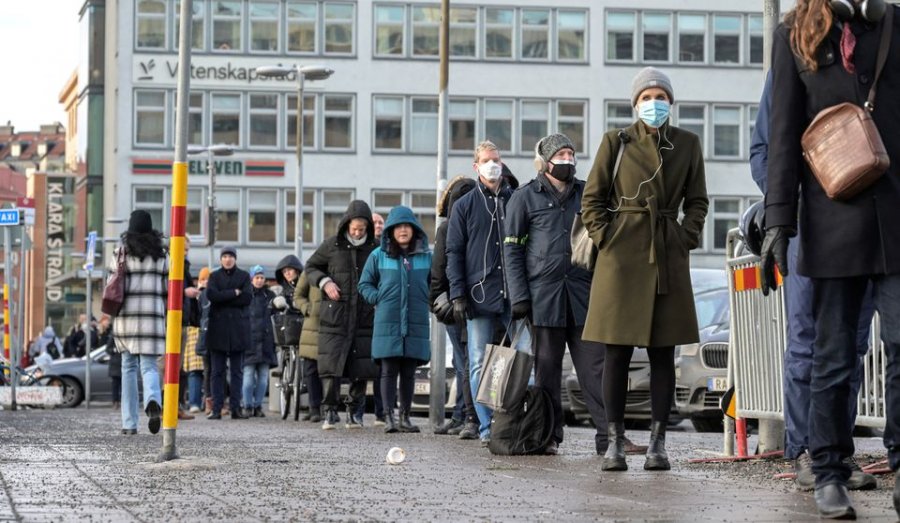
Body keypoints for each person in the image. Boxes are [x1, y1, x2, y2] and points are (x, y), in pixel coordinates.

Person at [762, 1, 900, 518]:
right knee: (834, 354)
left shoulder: (892, 24)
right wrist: (779, 222)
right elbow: (782, 138)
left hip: (895, 218)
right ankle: (828, 469)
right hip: (832, 219)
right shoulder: (794, 33)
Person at [749, 71, 876, 491]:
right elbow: (763, 152)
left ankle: (837, 452)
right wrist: (791, 207)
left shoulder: (875, 57)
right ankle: (804, 450)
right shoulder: (795, 60)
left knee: (851, 347)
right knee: (806, 342)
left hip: (863, 227)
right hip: (808, 228)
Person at [581, 67, 708, 471]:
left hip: (666, 256)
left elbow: (699, 201)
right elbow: (592, 199)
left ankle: (658, 443)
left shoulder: (688, 143)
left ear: (671, 102)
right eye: (647, 97)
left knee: (662, 355)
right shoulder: (615, 141)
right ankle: (615, 442)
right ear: (635, 104)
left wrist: (684, 237)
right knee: (615, 354)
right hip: (620, 261)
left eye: (661, 97)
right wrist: (607, 240)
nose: (654, 103)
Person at [504, 133, 609, 456]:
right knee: (547, 370)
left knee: (596, 367)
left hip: (582, 295)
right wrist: (519, 296)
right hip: (543, 297)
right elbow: (512, 251)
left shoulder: (586, 193)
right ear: (547, 161)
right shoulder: (524, 197)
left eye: (571, 154)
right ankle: (548, 435)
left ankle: (609, 436)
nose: (567, 159)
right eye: (561, 154)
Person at [446, 140, 532, 447]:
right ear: (476, 165)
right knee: (479, 361)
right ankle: (486, 428)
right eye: (486, 160)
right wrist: (457, 294)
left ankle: (523, 423)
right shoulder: (464, 205)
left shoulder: (517, 199)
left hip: (515, 294)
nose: (493, 164)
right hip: (479, 295)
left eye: (496, 159)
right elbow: (453, 252)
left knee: (523, 359)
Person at [305, 200, 379, 430]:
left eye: (361, 229)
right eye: (354, 228)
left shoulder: (375, 249)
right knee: (331, 366)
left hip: (364, 316)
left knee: (360, 367)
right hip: (335, 316)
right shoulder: (331, 245)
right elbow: (310, 267)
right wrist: (325, 282)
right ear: (346, 224)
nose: (357, 233)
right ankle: (329, 411)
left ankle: (354, 412)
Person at [359, 206, 432, 433]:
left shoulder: (426, 257)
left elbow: (436, 284)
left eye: (407, 226)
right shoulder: (377, 256)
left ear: (414, 229)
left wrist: (428, 299)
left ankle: (405, 418)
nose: (402, 230)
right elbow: (364, 284)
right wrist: (377, 297)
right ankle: (389, 417)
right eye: (398, 226)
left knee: (409, 372)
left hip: (415, 321)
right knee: (388, 370)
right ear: (390, 230)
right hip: (387, 321)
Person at [108, 210, 167, 435]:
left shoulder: (121, 253)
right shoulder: (162, 256)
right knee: (149, 366)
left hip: (126, 320)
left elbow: (110, 285)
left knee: (128, 368)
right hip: (152, 319)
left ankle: (129, 424)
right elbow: (166, 288)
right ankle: (153, 401)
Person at [430, 175, 479, 439]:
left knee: (463, 362)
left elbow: (438, 269)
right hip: (477, 300)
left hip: (453, 302)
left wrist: (435, 301)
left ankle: (463, 415)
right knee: (471, 361)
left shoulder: (447, 228)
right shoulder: (480, 222)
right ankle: (467, 415)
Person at [206, 245, 252, 420]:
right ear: (220, 259)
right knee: (216, 371)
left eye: (230, 256)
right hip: (218, 329)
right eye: (225, 256)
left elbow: (247, 298)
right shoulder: (214, 276)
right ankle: (216, 409)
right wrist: (234, 292)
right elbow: (211, 295)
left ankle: (235, 408)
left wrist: (223, 296)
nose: (228, 259)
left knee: (237, 371)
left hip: (238, 330)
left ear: (235, 259)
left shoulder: (244, 276)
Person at [243, 265, 277, 418]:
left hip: (265, 342)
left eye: (262, 277)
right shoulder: (246, 295)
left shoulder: (269, 296)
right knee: (249, 378)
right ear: (252, 279)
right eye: (257, 277)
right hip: (249, 341)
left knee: (263, 379)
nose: (259, 280)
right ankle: (247, 405)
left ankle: (257, 406)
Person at [294, 269, 324, 423]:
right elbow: (298, 296)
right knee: (311, 370)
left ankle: (329, 408)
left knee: (331, 371)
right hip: (312, 326)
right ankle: (314, 408)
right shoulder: (310, 270)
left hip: (334, 325)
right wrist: (308, 308)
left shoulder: (340, 265)